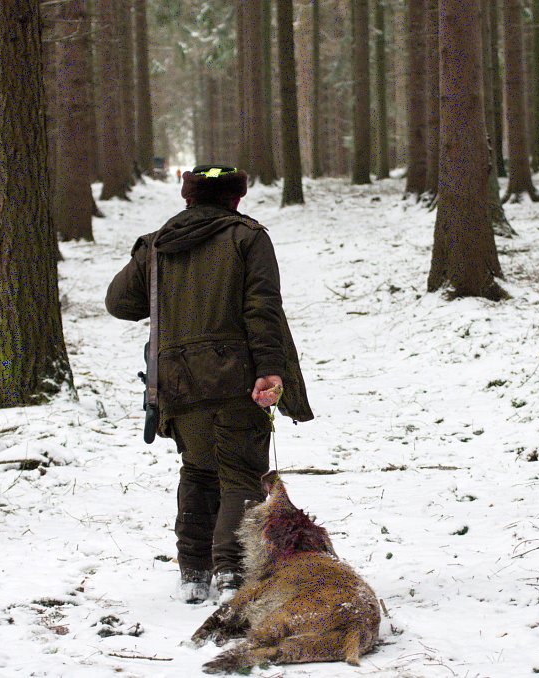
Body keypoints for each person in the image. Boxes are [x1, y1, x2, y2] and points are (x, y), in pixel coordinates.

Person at [105, 165, 313, 604]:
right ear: (237, 198)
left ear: (188, 197)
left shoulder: (157, 244)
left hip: (177, 379)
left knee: (198, 471)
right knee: (241, 472)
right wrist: (270, 369)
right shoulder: (248, 237)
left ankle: (194, 574)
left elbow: (120, 302)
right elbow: (263, 308)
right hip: (238, 378)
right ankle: (232, 574)